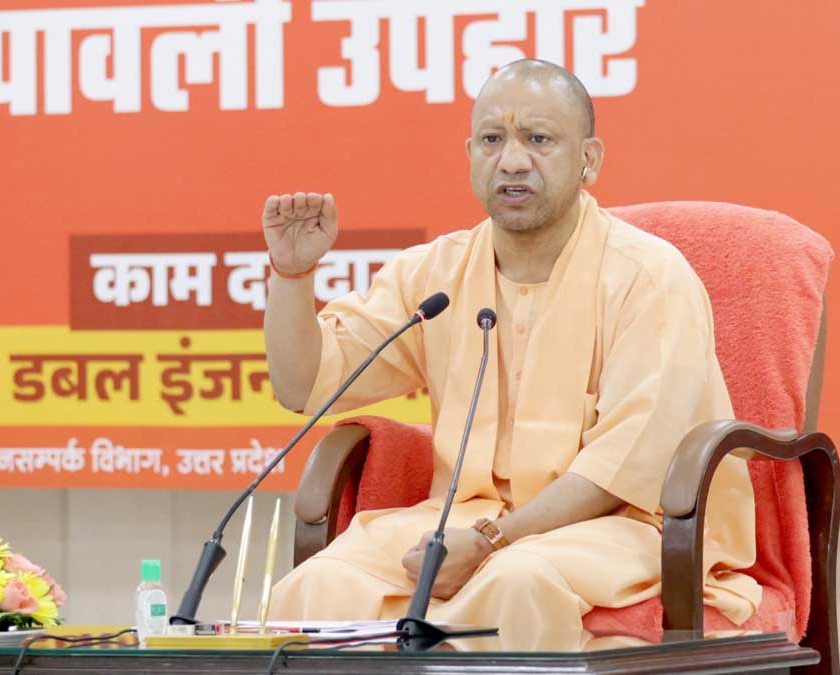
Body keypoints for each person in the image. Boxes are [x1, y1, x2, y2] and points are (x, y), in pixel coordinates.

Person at [262, 60, 759, 649]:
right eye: (493, 140)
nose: (513, 160)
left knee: (517, 582)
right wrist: (292, 276)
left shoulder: (648, 277)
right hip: (465, 520)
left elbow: (620, 468)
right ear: (471, 155)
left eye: (538, 139)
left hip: (620, 526)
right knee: (316, 586)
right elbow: (305, 386)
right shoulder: (437, 273)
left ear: (589, 159)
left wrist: (493, 541)